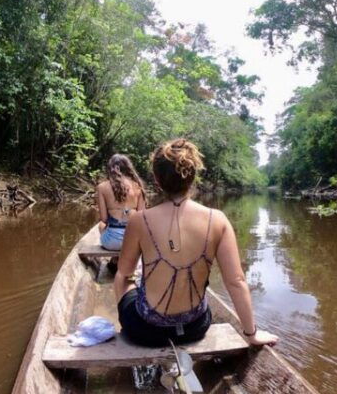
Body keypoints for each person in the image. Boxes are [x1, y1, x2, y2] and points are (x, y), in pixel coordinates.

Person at [113, 138, 279, 348]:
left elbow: (125, 272)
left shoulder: (139, 220)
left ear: (156, 179)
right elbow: (236, 281)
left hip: (146, 331)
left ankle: (125, 330)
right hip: (195, 327)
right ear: (193, 177)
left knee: (122, 278)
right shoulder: (218, 219)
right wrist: (252, 334)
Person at [96, 154, 146, 252]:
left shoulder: (102, 187)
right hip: (132, 242)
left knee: (101, 225)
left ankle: (115, 258)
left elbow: (104, 219)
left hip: (111, 243)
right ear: (128, 168)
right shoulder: (138, 186)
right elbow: (142, 218)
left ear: (110, 168)